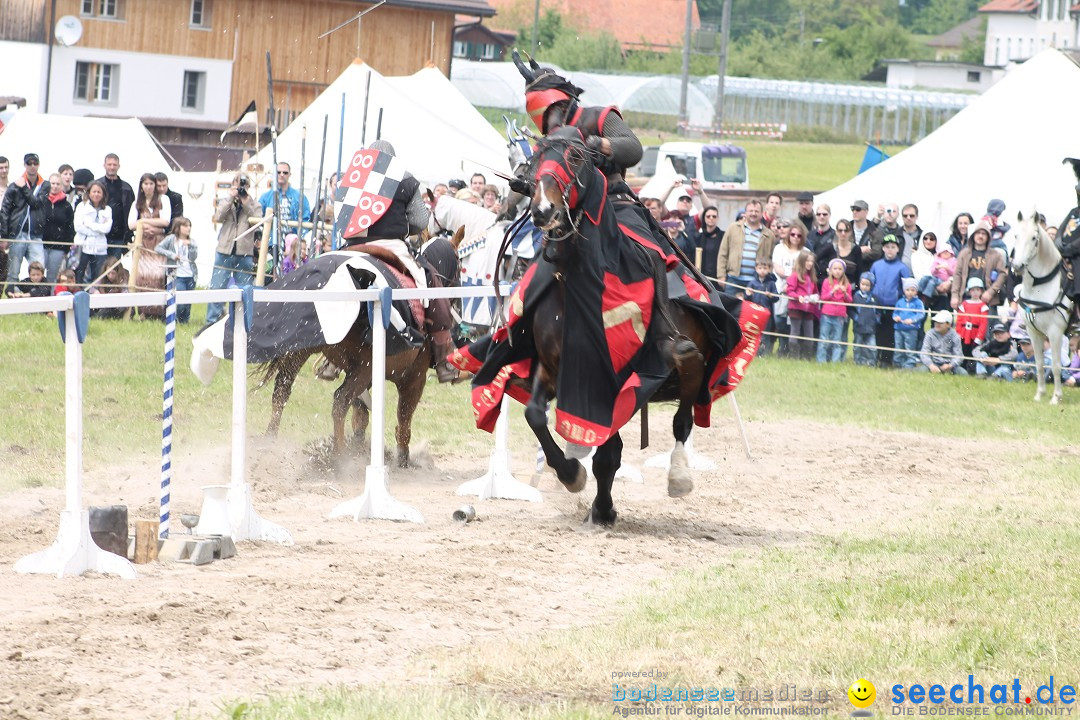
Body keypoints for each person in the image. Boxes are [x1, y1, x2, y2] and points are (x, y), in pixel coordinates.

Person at [341, 140, 458, 383]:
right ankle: (443, 356)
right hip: (390, 244)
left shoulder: (355, 177)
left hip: (352, 247)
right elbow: (419, 221)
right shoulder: (404, 179)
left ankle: (331, 361)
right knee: (430, 282)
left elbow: (344, 217)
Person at [205, 173, 262, 327]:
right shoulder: (227, 201)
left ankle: (245, 322)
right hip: (224, 249)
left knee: (245, 290)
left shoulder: (255, 204)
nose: (242, 187)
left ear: (249, 186)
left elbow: (257, 220)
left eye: (244, 184)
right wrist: (231, 197)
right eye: (238, 184)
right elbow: (218, 216)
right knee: (217, 287)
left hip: (244, 252)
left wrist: (245, 202)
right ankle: (212, 322)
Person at [128, 172, 172, 316]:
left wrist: (144, 222)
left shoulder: (163, 199)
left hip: (158, 243)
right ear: (141, 186)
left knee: (157, 275)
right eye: (145, 184)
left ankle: (157, 311)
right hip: (142, 242)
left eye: (151, 184)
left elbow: (165, 221)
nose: (148, 187)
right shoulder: (137, 203)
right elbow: (131, 224)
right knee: (142, 276)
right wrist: (146, 225)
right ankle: (142, 311)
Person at [1, 152, 46, 286]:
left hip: (35, 235)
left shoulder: (44, 185)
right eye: (29, 163)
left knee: (39, 271)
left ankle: (37, 300)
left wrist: (24, 188)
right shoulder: (14, 185)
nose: (32, 166)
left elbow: (36, 203)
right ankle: (11, 300)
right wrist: (4, 236)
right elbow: (5, 211)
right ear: (24, 165)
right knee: (13, 272)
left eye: (35, 163)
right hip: (17, 233)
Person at [870, 234, 912, 368]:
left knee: (890, 333)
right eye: (887, 247)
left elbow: (906, 287)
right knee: (877, 332)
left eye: (893, 247)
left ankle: (887, 360)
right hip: (877, 304)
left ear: (898, 249)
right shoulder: (876, 265)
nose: (890, 250)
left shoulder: (902, 267)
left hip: (893, 305)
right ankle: (876, 357)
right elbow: (870, 282)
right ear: (883, 249)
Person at [717, 198, 776, 292]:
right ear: (745, 213)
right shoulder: (733, 228)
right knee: (731, 307)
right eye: (750, 211)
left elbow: (772, 258)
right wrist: (721, 276)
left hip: (757, 282)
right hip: (733, 280)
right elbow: (723, 253)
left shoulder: (769, 235)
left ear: (762, 213)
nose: (753, 213)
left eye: (756, 211)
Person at [951, 219, 1006, 313]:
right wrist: (955, 296)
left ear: (988, 237)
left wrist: (991, 292)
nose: (980, 236)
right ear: (973, 235)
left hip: (988, 298)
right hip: (966, 297)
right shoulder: (964, 254)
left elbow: (1002, 275)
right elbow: (957, 275)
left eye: (984, 234)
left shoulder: (996, 255)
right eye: (978, 233)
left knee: (986, 326)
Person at [259, 162, 311, 255]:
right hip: (271, 242)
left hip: (293, 243)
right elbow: (258, 217)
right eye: (278, 172)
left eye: (285, 172)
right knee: (271, 269)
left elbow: (305, 219)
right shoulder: (266, 197)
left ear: (289, 174)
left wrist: (300, 238)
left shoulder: (299, 197)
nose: (282, 175)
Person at [156, 216, 198, 324]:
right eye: (185, 226)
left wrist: (191, 246)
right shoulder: (171, 239)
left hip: (190, 275)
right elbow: (158, 248)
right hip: (177, 275)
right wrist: (172, 255)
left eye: (189, 226)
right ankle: (175, 320)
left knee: (188, 301)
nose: (188, 228)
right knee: (180, 301)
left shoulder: (192, 242)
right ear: (178, 227)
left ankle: (185, 322)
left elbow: (193, 258)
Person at [73, 180, 113, 285]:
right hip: (83, 245)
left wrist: (89, 224)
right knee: (79, 274)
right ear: (89, 192)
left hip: (100, 248)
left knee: (98, 275)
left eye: (99, 192)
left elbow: (106, 229)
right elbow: (78, 227)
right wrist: (97, 230)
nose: (96, 194)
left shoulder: (107, 209)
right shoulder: (81, 206)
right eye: (94, 191)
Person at [97, 153, 135, 262]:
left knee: (113, 268)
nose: (112, 167)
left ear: (119, 166)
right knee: (97, 269)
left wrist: (129, 234)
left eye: (114, 164)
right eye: (109, 164)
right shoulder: (97, 185)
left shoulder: (127, 188)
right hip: (100, 235)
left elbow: (132, 211)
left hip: (119, 236)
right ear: (104, 165)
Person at [40, 172, 75, 284]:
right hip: (41, 245)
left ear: (61, 186)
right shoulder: (41, 202)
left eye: (57, 184)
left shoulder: (67, 206)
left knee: (52, 278)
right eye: (52, 183)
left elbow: (70, 227)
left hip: (58, 247)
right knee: (38, 276)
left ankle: (51, 300)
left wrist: (67, 247)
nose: (54, 186)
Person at [785, 249, 819, 361]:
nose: (810, 263)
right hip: (796, 308)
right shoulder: (795, 275)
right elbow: (790, 290)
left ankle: (807, 357)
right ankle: (794, 356)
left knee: (809, 333)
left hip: (810, 309)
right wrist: (797, 297)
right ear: (802, 261)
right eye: (807, 261)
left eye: (811, 261)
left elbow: (815, 292)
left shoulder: (812, 277)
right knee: (795, 331)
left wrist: (815, 298)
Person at [818, 257, 852, 364]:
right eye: (835, 268)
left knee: (837, 340)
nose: (837, 271)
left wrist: (845, 293)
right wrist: (832, 291)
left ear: (843, 271)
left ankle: (835, 361)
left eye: (840, 269)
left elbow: (850, 301)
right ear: (831, 270)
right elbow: (823, 297)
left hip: (840, 315)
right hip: (827, 314)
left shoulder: (847, 284)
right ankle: (821, 361)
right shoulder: (826, 282)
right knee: (824, 338)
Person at [956, 277, 990, 373]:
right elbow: (959, 320)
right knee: (963, 351)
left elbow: (983, 324)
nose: (975, 292)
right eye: (973, 290)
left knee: (973, 352)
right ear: (969, 291)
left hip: (975, 334)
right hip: (964, 333)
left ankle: (972, 370)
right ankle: (961, 368)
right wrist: (958, 334)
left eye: (978, 290)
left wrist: (979, 337)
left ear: (981, 291)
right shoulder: (964, 304)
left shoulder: (983, 306)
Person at [815, 217, 861, 287]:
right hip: (832, 288)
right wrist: (826, 270)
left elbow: (859, 271)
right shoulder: (830, 248)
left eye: (846, 230)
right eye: (840, 230)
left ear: (851, 232)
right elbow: (814, 260)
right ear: (836, 232)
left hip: (850, 288)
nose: (843, 233)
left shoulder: (856, 249)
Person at [918, 310, 967, 375]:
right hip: (933, 363)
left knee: (963, 373)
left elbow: (959, 356)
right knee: (921, 371)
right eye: (936, 321)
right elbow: (924, 353)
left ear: (948, 324)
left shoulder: (955, 336)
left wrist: (950, 365)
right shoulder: (929, 334)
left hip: (950, 365)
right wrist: (931, 366)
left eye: (940, 322)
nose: (937, 324)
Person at [746, 260, 778, 356]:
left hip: (766, 313)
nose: (762, 271)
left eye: (765, 268)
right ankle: (753, 353)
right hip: (754, 312)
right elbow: (747, 299)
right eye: (760, 268)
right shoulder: (752, 283)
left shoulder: (771, 283)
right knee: (754, 333)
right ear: (756, 269)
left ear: (769, 270)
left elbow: (776, 298)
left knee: (765, 334)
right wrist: (748, 294)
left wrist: (770, 296)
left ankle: (765, 354)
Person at [892, 278, 924, 370]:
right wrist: (895, 317)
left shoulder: (918, 303)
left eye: (912, 290)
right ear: (904, 290)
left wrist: (912, 320)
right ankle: (898, 363)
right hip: (899, 328)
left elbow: (921, 314)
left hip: (911, 329)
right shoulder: (900, 302)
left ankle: (909, 363)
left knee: (910, 347)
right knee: (898, 346)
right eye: (907, 290)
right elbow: (895, 312)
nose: (910, 292)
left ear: (916, 291)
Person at [852, 273, 878, 367]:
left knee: (872, 347)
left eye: (867, 285)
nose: (865, 287)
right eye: (863, 284)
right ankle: (858, 361)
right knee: (857, 346)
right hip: (858, 326)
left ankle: (871, 362)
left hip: (871, 327)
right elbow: (851, 310)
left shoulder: (874, 298)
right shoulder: (856, 296)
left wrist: (877, 318)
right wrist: (856, 318)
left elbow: (878, 310)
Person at [897, 204, 922, 270]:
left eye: (911, 215)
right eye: (905, 216)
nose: (908, 218)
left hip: (919, 274)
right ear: (902, 217)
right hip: (899, 274)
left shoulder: (924, 237)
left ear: (917, 217)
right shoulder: (895, 235)